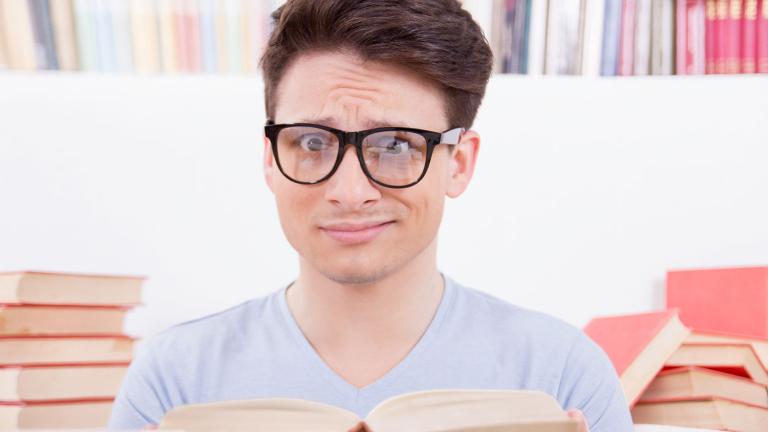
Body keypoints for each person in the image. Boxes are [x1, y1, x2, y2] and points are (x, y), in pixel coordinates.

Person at [108, 1, 633, 431]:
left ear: (460, 165)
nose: (350, 191)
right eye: (312, 142)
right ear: (271, 159)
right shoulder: (173, 380)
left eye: (397, 145)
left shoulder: (563, 375)